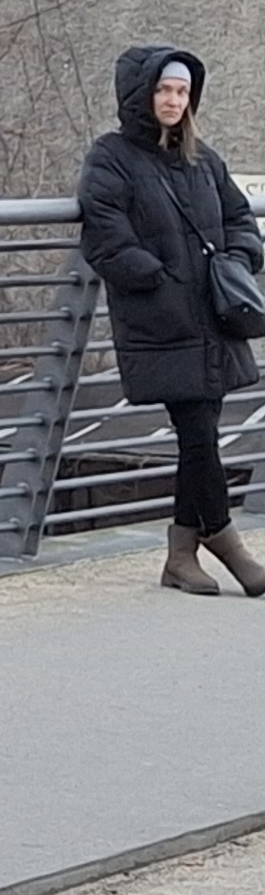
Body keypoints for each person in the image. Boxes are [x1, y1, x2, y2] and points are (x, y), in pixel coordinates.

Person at [79, 45, 265, 596]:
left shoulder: (202, 159)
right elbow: (105, 233)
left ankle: (180, 555)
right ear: (143, 94)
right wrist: (157, 279)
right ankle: (226, 540)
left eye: (182, 92)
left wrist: (240, 258)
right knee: (198, 433)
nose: (173, 101)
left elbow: (238, 218)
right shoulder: (111, 156)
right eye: (164, 90)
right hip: (161, 321)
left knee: (201, 431)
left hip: (212, 317)